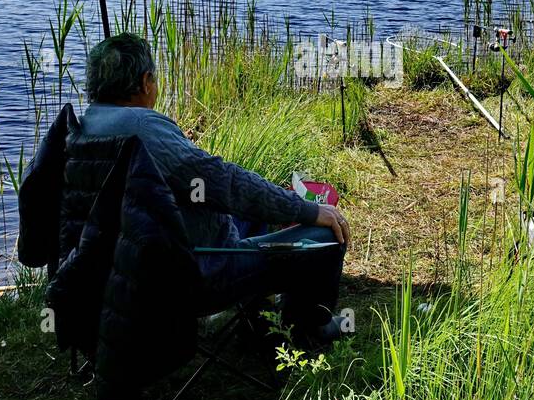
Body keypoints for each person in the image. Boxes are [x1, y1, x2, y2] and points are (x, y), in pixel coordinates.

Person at [77, 32, 350, 345]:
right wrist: (307, 209)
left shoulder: (78, 128)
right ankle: (307, 329)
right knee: (326, 238)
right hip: (190, 275)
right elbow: (225, 183)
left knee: (251, 212)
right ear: (145, 82)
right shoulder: (142, 128)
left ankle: (259, 324)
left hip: (112, 277)